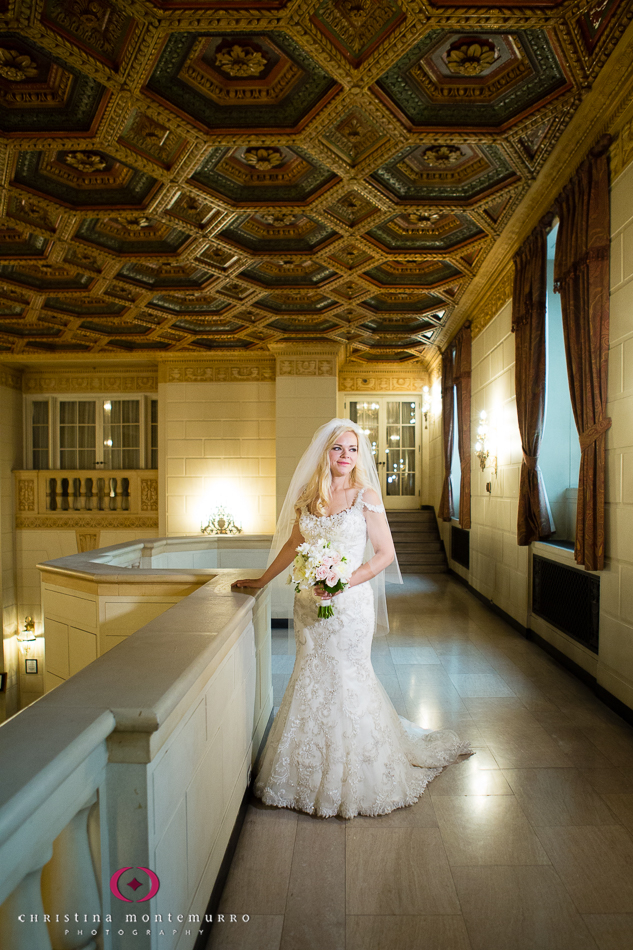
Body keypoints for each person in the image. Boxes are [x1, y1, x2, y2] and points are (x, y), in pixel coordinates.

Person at [232, 418, 471, 819]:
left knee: (348, 675)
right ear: (324, 452)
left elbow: (384, 554)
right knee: (310, 674)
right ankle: (304, 772)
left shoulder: (366, 496)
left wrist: (344, 582)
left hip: (349, 606)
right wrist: (261, 581)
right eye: (338, 448)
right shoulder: (311, 496)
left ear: (359, 456)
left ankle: (359, 774)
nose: (345, 456)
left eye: (353, 449)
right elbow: (294, 544)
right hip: (309, 604)